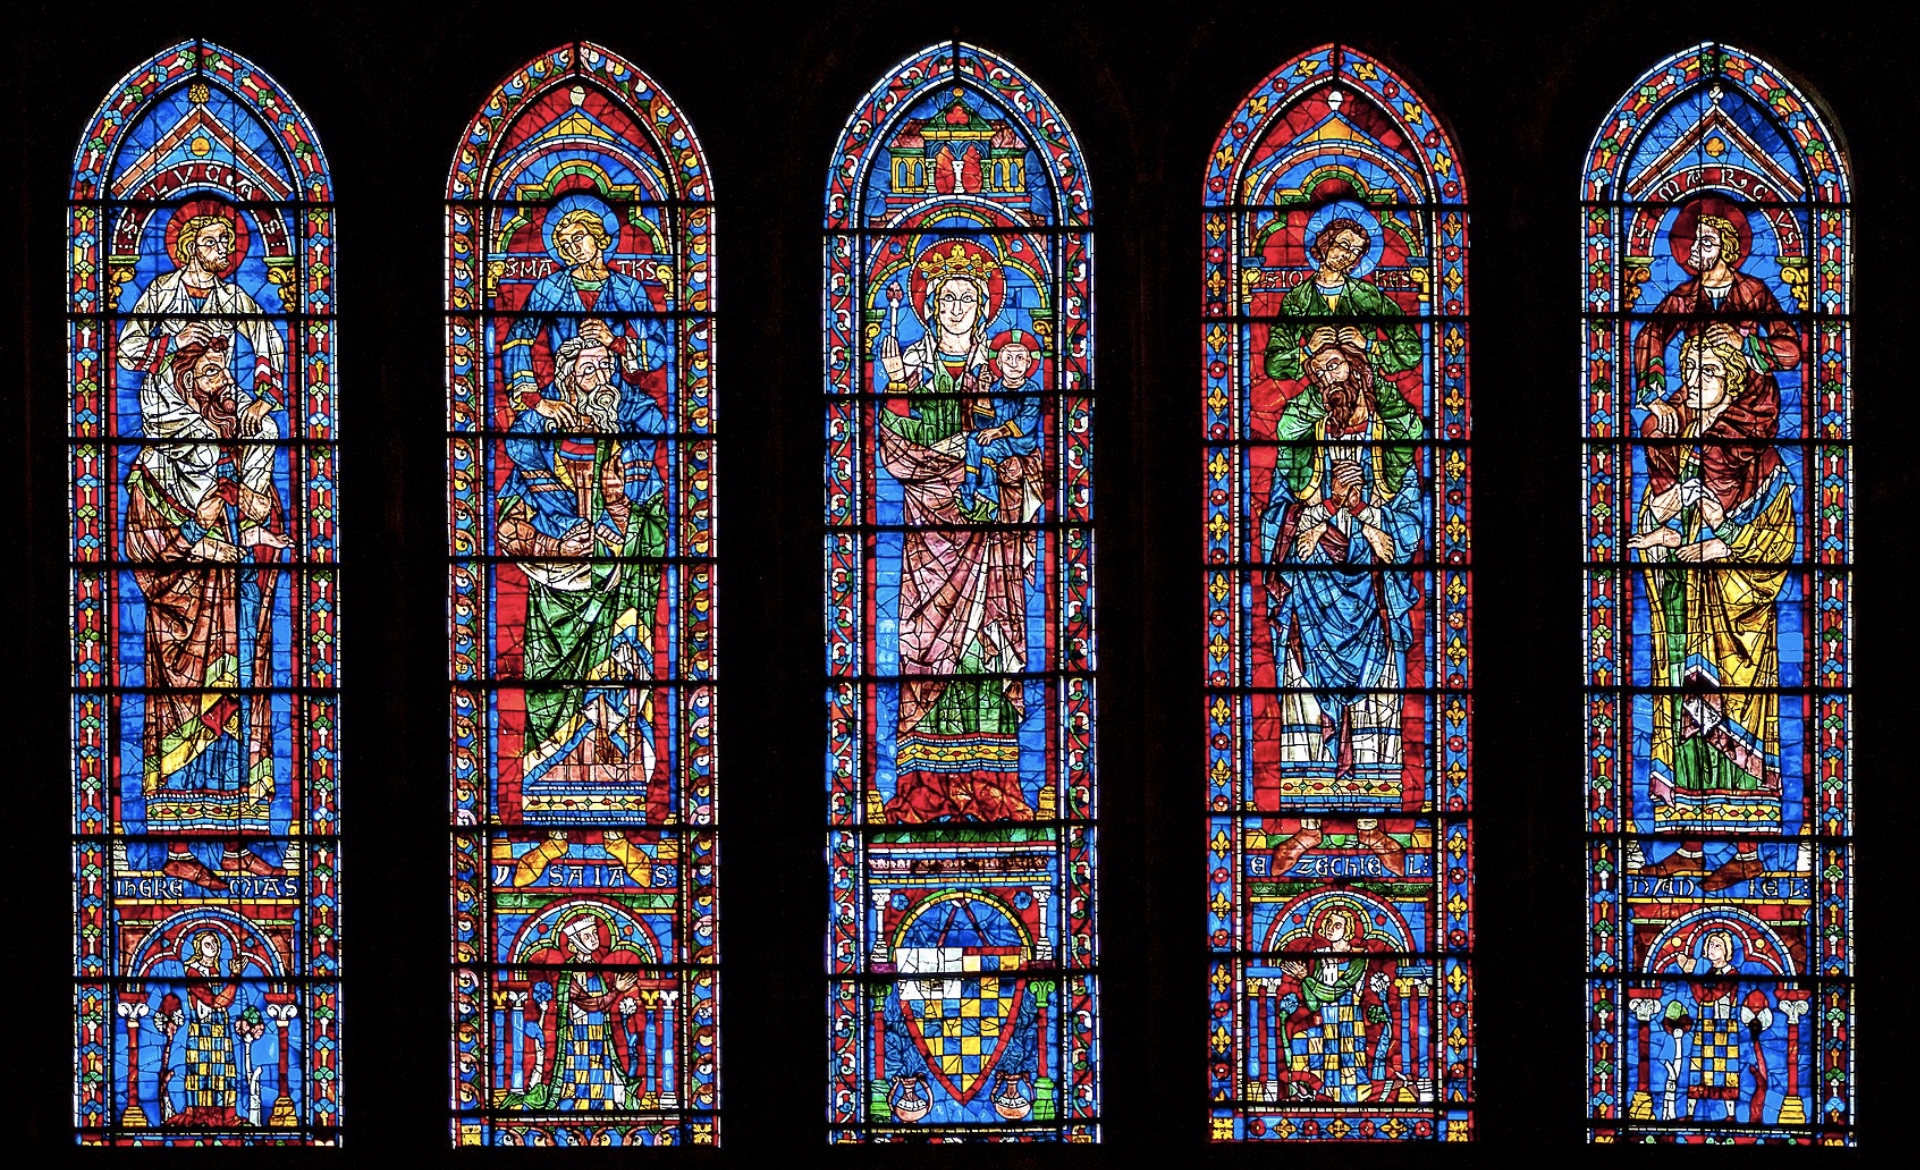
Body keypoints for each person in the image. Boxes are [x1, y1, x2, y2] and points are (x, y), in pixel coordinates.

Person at [873, 241, 1037, 823]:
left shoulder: (998, 375)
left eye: (969, 299)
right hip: (929, 534)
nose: (958, 308)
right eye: (948, 299)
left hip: (990, 536)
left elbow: (1027, 449)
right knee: (926, 649)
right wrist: (945, 446)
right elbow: (894, 449)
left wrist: (998, 465)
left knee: (989, 651)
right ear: (932, 307)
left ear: (984, 309)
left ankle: (993, 786)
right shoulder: (911, 370)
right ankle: (924, 789)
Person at [1628, 328, 1795, 890]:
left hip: (1735, 620)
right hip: (1685, 610)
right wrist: (1662, 536)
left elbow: (1777, 539)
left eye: (1707, 373)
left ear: (1734, 382)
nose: (1693, 383)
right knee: (1684, 723)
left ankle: (1747, 853)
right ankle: (1689, 847)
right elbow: (1661, 518)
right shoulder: (1679, 449)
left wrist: (1719, 547)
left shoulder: (1759, 459)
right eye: (1689, 371)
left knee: (1734, 724)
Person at [498, 335, 668, 886]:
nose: (597, 380)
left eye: (605, 369)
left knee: (619, 704)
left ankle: (619, 832)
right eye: (586, 369)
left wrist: (621, 509)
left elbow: (659, 523)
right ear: (566, 377)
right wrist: (552, 546)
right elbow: (506, 527)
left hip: (619, 598)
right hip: (555, 600)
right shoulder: (537, 451)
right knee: (551, 708)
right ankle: (550, 835)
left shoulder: (630, 446)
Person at [123, 338, 290, 891]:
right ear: (184, 384)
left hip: (234, 605)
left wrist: (259, 532)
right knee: (186, 724)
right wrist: (199, 538)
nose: (223, 381)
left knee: (238, 716)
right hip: (185, 616)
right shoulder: (154, 465)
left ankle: (236, 844)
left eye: (225, 369)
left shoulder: (232, 449)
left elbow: (251, 514)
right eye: (211, 372)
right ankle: (178, 848)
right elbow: (145, 544)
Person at [1257, 327, 1424, 874]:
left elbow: (1411, 515)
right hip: (1312, 588)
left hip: (1372, 590)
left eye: (1333, 367)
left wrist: (1365, 514)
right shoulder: (1304, 444)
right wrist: (1320, 511)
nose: (1325, 379)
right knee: (1304, 696)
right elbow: (1276, 512)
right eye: (1318, 372)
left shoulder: (1388, 439)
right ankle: (1307, 827)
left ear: (1358, 368)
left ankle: (1373, 826)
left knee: (1378, 696)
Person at [502, 205, 668, 423]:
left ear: (597, 235)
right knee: (518, 437)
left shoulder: (628, 289)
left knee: (657, 426)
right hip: (562, 396)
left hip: (618, 396)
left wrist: (615, 342)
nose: (574, 248)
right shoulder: (549, 288)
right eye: (566, 245)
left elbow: (661, 349)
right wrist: (538, 402)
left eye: (578, 238)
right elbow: (517, 338)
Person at [1263, 216, 1422, 384]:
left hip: (1370, 389)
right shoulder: (1297, 298)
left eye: (1356, 251)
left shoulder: (1367, 294)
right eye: (1344, 245)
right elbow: (1273, 365)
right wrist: (1308, 350)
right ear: (1326, 241)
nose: (1347, 255)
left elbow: (1412, 352)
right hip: (1321, 391)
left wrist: (1368, 345)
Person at [511, 914, 643, 1111]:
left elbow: (603, 1008)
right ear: (574, 943)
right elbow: (590, 1003)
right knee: (578, 1072)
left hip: (599, 1033)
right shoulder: (568, 974)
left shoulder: (596, 972)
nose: (594, 939)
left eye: (595, 933)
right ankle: (576, 1105)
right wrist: (617, 990)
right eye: (587, 936)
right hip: (578, 1033)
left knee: (601, 1070)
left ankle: (603, 1106)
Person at [1274, 905, 1398, 1102]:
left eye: (1337, 925)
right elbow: (1314, 1004)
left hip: (1349, 1025)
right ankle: (1307, 1090)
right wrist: (1304, 980)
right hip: (1326, 1022)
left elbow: (1333, 993)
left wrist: (1305, 977)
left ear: (1348, 930)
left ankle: (1350, 1100)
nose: (1330, 928)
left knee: (1348, 1071)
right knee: (1299, 1039)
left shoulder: (1359, 958)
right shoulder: (1321, 956)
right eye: (1328, 924)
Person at [173, 931, 247, 1126]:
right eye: (207, 944)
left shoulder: (214, 971)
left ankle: (225, 1116)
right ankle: (200, 1116)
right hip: (202, 1029)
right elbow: (215, 1002)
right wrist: (234, 976)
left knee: (224, 1070)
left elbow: (223, 1003)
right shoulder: (193, 972)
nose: (213, 946)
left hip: (220, 1028)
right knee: (201, 1071)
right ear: (198, 948)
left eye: (215, 942)